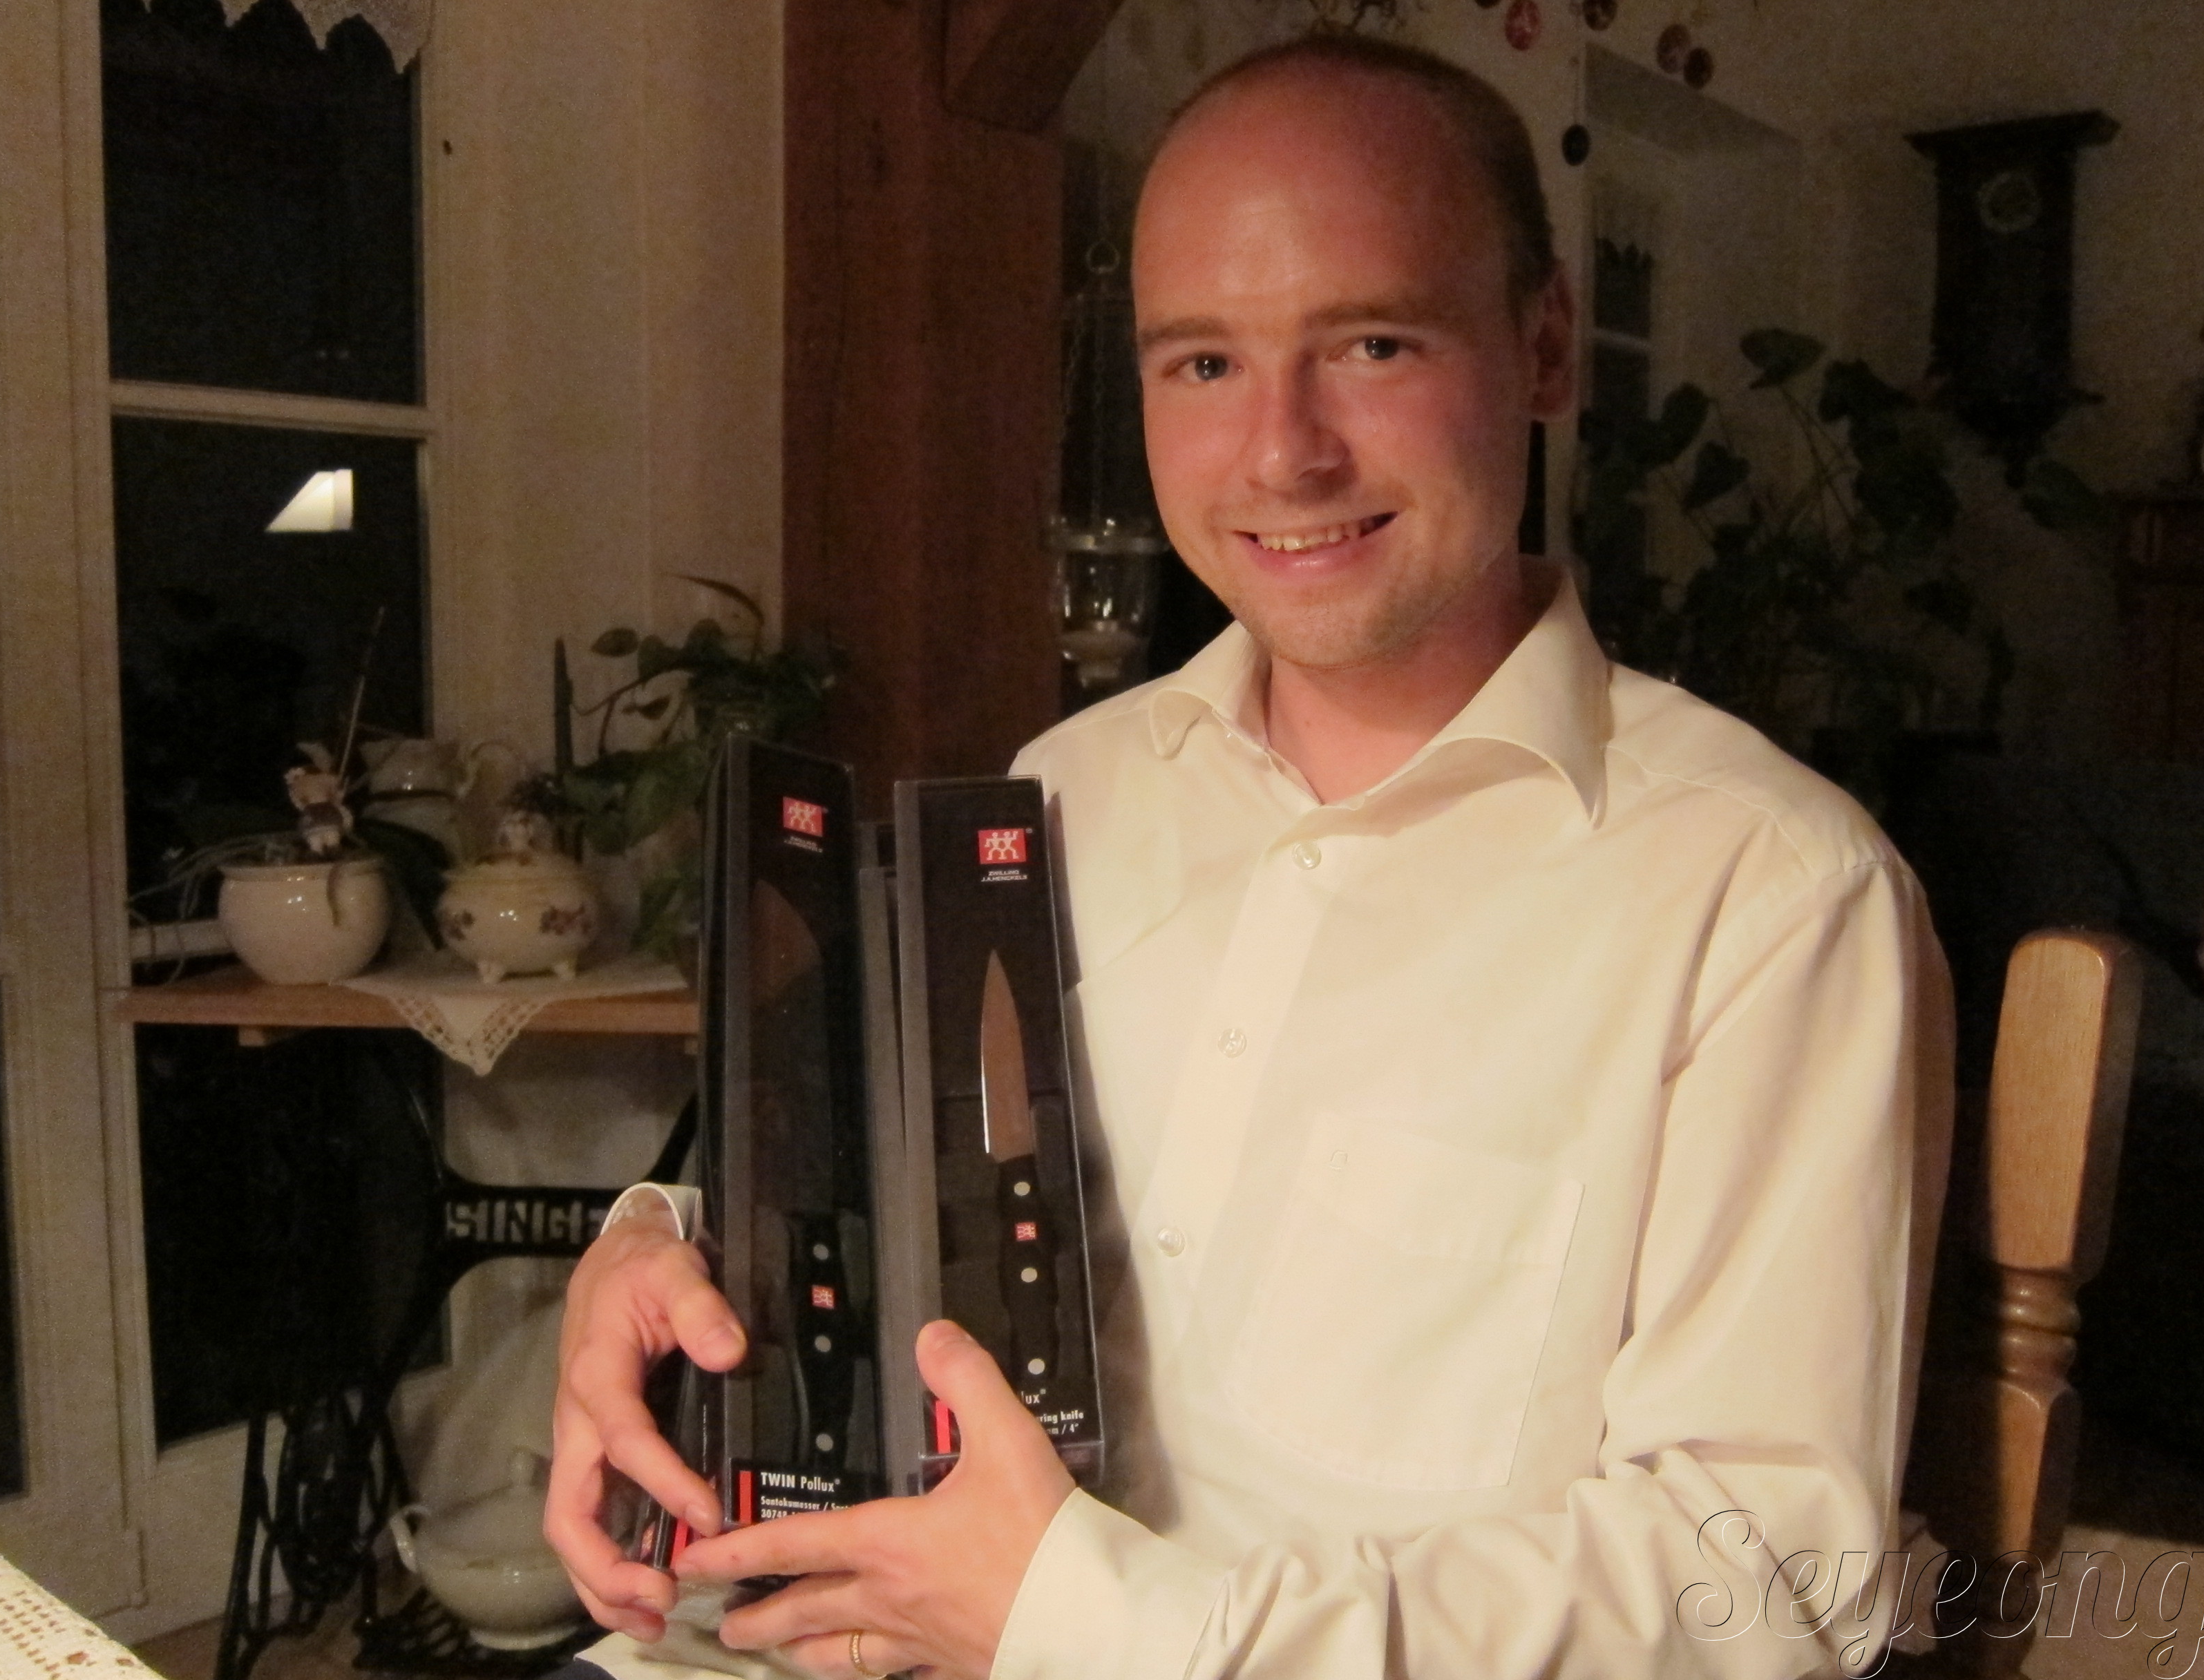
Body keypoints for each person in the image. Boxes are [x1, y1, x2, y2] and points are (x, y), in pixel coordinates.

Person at [545, 33, 1952, 1680]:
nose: (1284, 453)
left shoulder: (1771, 897)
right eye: (1204, 363)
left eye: (1371, 343)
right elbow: (892, 1191)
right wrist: (662, 1247)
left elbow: (1763, 1578)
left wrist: (1079, 1621)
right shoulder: (1060, 790)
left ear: (1546, 345)